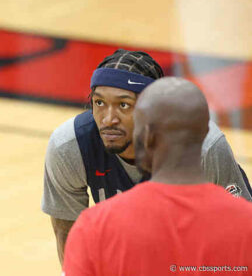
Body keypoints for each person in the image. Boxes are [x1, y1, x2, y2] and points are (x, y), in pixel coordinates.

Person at [41, 49, 251, 264]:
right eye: (99, 103)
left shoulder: (201, 146)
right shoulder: (69, 145)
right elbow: (67, 234)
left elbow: (241, 228)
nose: (108, 119)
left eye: (124, 105)